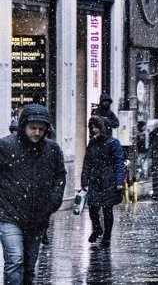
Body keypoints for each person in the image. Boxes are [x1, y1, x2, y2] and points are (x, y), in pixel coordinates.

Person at [0, 104, 67, 284]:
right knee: (15, 260)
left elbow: (60, 175)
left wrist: (53, 200)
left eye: (41, 129)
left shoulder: (52, 150)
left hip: (37, 217)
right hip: (9, 214)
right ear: (24, 126)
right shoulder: (6, 146)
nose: (37, 132)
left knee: (29, 266)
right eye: (33, 128)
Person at [81, 116, 126, 247]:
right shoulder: (92, 143)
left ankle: (107, 236)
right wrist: (84, 180)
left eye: (96, 127)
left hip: (109, 181)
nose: (94, 130)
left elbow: (119, 163)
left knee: (107, 209)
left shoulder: (114, 143)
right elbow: (87, 163)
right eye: (92, 127)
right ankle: (97, 229)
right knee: (93, 208)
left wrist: (119, 181)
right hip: (95, 180)